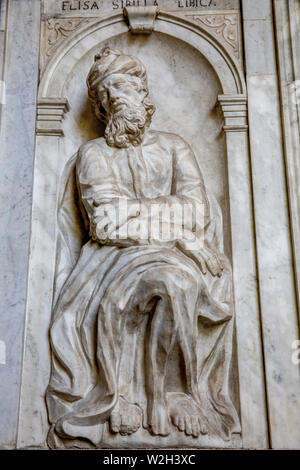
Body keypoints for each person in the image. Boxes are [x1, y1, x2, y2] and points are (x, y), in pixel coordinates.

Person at [46, 47, 240, 448]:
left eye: (125, 86)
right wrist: (178, 230)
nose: (116, 96)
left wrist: (169, 226)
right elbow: (106, 223)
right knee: (167, 281)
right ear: (100, 105)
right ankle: (121, 392)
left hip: (172, 253)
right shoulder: (93, 155)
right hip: (109, 260)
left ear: (142, 92)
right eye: (107, 92)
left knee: (177, 280)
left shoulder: (174, 147)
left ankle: (175, 393)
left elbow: (197, 211)